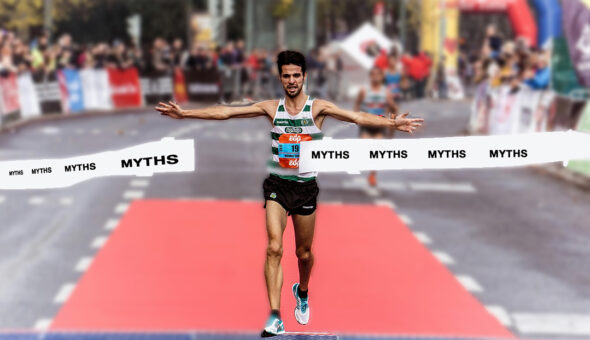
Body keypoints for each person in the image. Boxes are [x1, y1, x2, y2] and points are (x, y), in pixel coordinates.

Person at [155, 50, 423, 337]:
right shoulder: (272, 108)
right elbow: (227, 111)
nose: (292, 80)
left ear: (304, 77)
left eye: (297, 75)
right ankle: (274, 315)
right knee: (273, 247)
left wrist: (392, 123)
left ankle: (302, 291)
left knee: (303, 253)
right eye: (287, 75)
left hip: (305, 189)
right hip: (278, 187)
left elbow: (356, 116)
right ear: (280, 77)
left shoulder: (318, 108)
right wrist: (185, 113)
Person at [355, 66, 398, 186]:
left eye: (378, 75)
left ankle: (372, 175)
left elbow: (394, 108)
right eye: (373, 75)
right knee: (366, 147)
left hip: (379, 126)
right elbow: (357, 104)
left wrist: (392, 123)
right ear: (370, 76)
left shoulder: (386, 92)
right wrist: (356, 118)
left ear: (381, 76)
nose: (375, 77)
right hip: (366, 125)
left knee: (377, 151)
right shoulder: (364, 91)